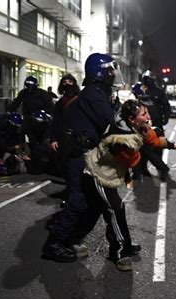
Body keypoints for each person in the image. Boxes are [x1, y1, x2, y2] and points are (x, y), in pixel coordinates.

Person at [83, 99, 176, 271]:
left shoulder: (134, 127)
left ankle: (122, 245)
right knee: (114, 209)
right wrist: (141, 142)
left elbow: (154, 140)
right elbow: (132, 160)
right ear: (131, 119)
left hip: (110, 175)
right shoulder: (120, 139)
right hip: (97, 175)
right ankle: (120, 252)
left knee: (104, 212)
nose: (148, 116)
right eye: (144, 114)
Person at [42, 53, 121, 264]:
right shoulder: (94, 94)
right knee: (79, 201)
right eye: (110, 69)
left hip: (88, 155)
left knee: (94, 203)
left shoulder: (98, 93)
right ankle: (54, 243)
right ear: (100, 72)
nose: (113, 74)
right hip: (79, 156)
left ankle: (72, 238)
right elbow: (112, 122)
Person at [49, 73, 81, 205]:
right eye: (64, 81)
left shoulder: (80, 99)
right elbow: (55, 122)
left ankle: (73, 195)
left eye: (70, 81)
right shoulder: (60, 103)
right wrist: (53, 139)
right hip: (63, 139)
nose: (67, 84)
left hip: (77, 138)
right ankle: (71, 192)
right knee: (65, 168)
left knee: (75, 169)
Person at [131, 81, 170, 181]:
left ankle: (163, 168)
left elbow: (146, 120)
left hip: (151, 130)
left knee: (147, 152)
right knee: (142, 151)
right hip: (153, 129)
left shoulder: (144, 105)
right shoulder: (147, 101)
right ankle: (141, 171)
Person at [141, 70, 171, 179]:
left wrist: (165, 118)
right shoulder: (139, 90)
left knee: (157, 146)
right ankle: (143, 168)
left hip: (156, 122)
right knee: (143, 148)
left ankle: (161, 168)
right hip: (143, 124)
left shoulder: (159, 92)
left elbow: (166, 106)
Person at [8, 76, 54, 144]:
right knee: (22, 132)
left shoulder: (43, 93)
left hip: (40, 118)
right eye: (28, 85)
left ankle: (41, 148)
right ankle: (23, 148)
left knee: (40, 136)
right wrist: (10, 111)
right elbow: (16, 102)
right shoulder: (23, 92)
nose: (30, 88)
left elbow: (50, 106)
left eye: (31, 86)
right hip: (28, 117)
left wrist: (48, 115)